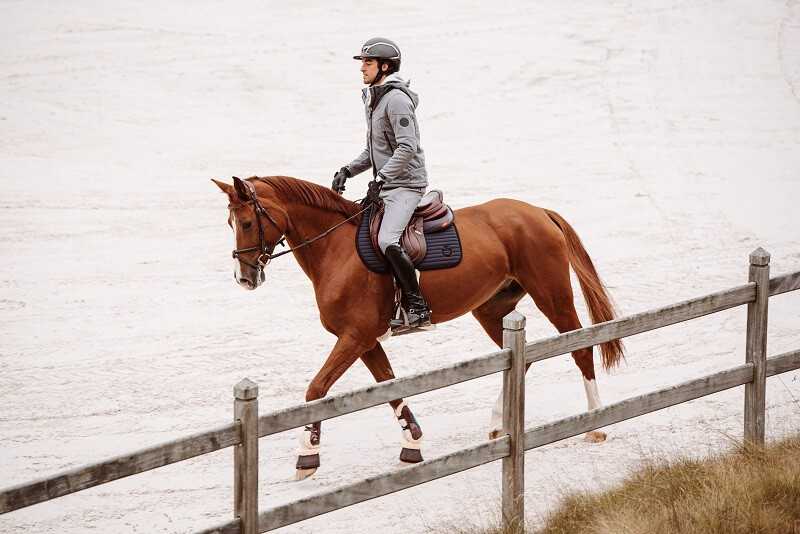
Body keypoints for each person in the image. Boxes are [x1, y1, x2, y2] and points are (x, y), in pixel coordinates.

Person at [331, 37, 432, 329]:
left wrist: (381, 177)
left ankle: (418, 306)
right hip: (388, 183)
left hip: (406, 184)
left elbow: (407, 146)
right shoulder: (375, 98)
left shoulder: (396, 99)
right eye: (362, 62)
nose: (361, 68)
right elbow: (374, 151)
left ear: (384, 67)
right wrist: (347, 170)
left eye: (367, 63)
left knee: (387, 239)